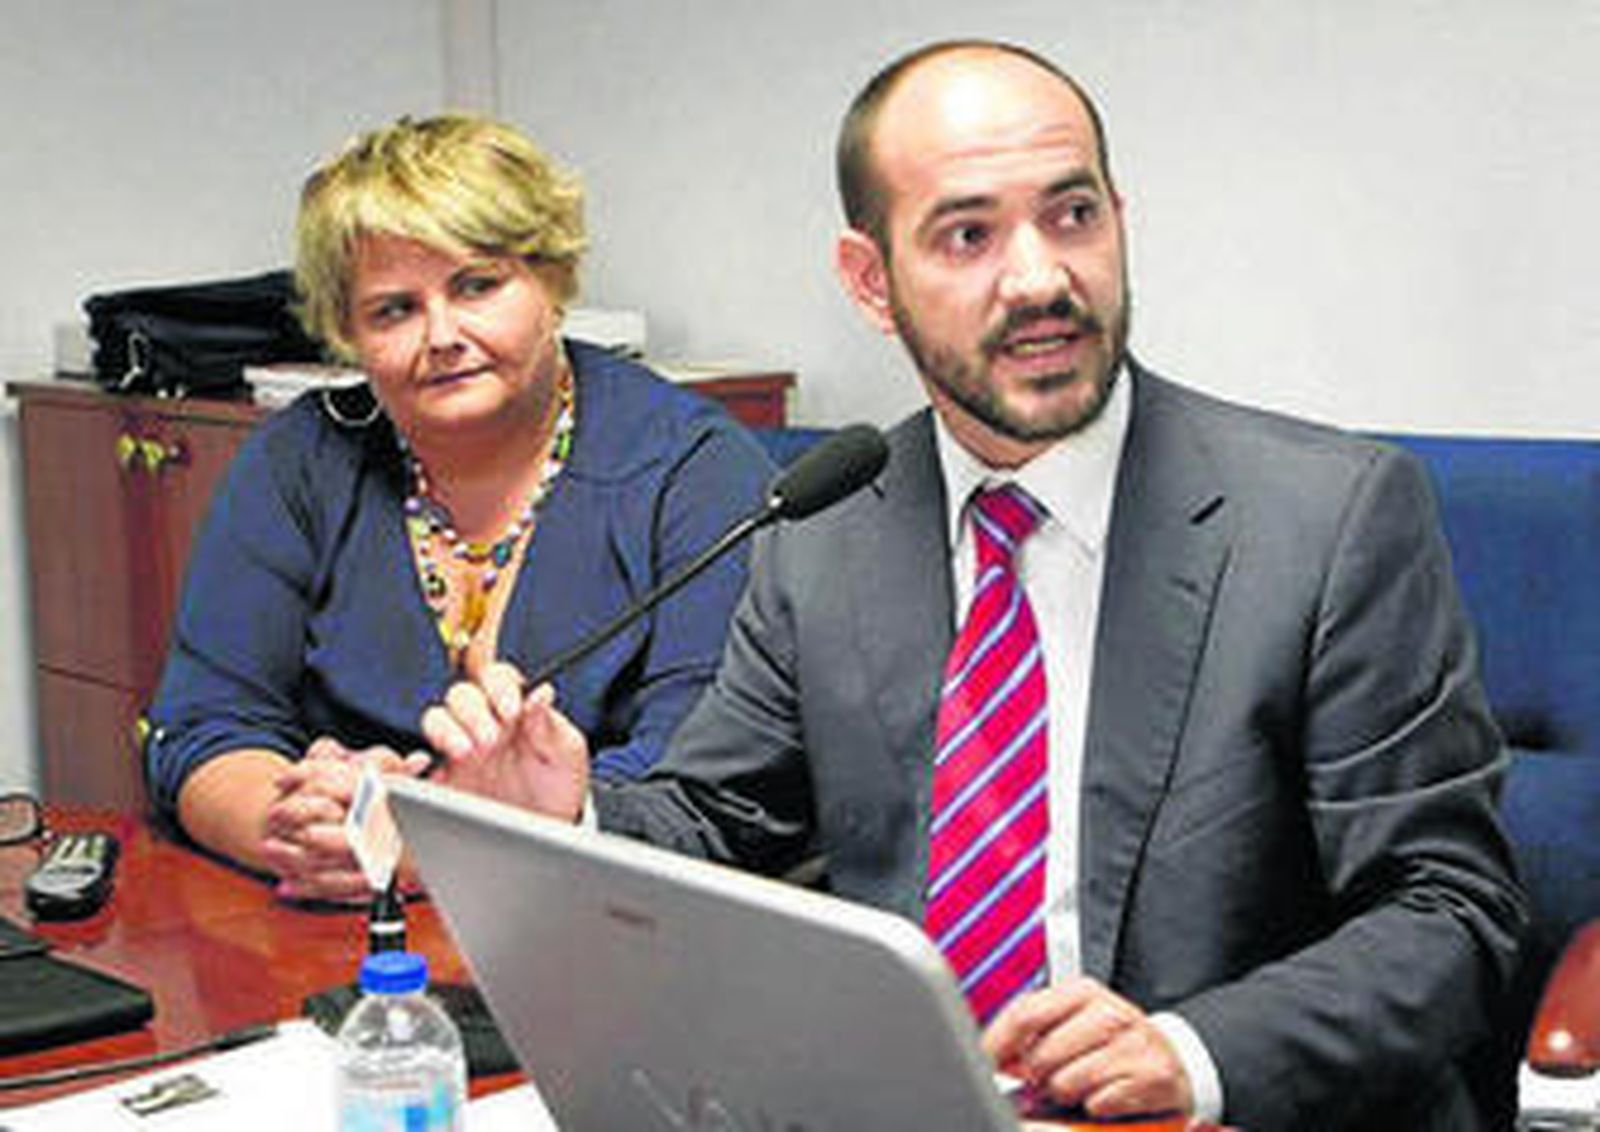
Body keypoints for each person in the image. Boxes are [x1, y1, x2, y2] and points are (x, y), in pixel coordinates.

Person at [417, 43, 1526, 1130]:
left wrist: (1189, 1052)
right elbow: (724, 818)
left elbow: (1446, 914)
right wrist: (571, 816)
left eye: (1073, 214)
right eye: (967, 234)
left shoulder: (1327, 520)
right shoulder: (828, 527)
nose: (1041, 276)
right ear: (870, 280)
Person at [144, 114, 773, 904]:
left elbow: (703, 778)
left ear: (551, 283)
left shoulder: (694, 471)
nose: (441, 335)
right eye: (393, 309)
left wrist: (436, 839)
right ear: (347, 334)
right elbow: (200, 726)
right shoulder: (298, 460)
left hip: (606, 926)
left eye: (477, 285)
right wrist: (304, 825)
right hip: (335, 935)